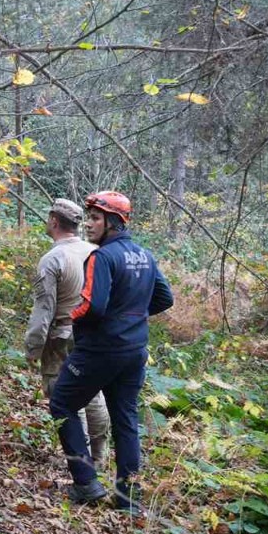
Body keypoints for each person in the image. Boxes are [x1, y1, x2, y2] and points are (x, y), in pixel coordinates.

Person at [48, 191, 172, 513]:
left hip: (100, 350)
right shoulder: (145, 256)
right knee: (126, 418)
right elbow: (164, 298)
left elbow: (92, 306)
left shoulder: (101, 257)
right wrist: (132, 316)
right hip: (134, 351)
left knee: (62, 401)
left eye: (95, 218)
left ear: (113, 223)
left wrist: (68, 317)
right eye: (89, 217)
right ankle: (129, 499)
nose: (89, 224)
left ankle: (86, 482)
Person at [24, 199, 110, 465]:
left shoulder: (53, 259)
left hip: (62, 337)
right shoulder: (95, 252)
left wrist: (33, 347)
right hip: (94, 335)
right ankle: (99, 457)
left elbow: (44, 309)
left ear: (53, 221)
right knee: (93, 391)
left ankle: (80, 460)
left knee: (65, 396)